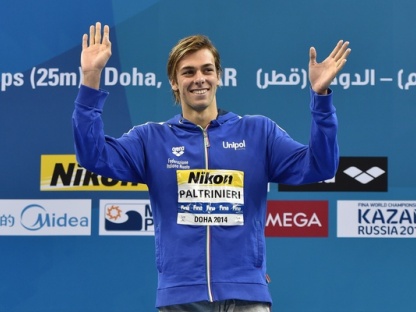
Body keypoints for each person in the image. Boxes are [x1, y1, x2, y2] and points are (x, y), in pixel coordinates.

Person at [72, 22, 350, 312]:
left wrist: (321, 98)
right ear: (173, 81)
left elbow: (321, 166)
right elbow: (93, 155)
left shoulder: (258, 132)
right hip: (181, 298)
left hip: (247, 295)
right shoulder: (150, 139)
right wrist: (91, 78)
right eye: (188, 72)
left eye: (207, 70)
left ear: (219, 76)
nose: (199, 79)